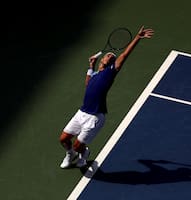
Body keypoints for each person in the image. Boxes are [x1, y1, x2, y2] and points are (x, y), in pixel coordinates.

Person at [59, 26, 154, 168]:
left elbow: (124, 56)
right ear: (102, 59)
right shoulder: (96, 74)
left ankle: (83, 153)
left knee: (79, 146)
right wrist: (91, 66)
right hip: (82, 112)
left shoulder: (110, 72)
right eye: (108, 55)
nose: (110, 56)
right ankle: (70, 154)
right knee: (64, 139)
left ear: (112, 63)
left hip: (95, 117)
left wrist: (137, 38)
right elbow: (88, 85)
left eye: (112, 56)